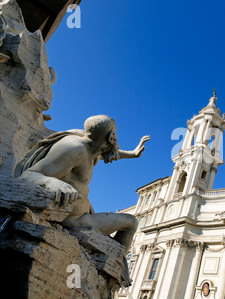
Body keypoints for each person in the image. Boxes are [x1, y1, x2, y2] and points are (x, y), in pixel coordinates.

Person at [17, 115, 150, 287]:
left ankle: (112, 264)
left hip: (85, 212)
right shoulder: (75, 149)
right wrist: (52, 182)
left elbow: (110, 154)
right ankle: (113, 268)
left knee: (126, 224)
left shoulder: (91, 146)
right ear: (111, 137)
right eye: (115, 133)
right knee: (131, 222)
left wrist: (132, 154)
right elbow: (29, 175)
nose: (117, 137)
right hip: (74, 220)